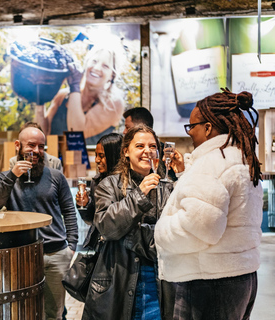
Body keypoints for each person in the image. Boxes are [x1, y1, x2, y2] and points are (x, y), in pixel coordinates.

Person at [155, 89, 263, 320]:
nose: (190, 132)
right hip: (240, 276)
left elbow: (201, 226)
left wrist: (161, 229)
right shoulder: (241, 159)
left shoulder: (213, 162)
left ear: (207, 128)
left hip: (208, 282)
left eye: (191, 126)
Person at [82, 124, 173, 320]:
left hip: (157, 283)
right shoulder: (108, 185)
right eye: (140, 146)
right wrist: (140, 194)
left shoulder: (167, 188)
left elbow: (172, 235)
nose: (147, 151)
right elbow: (106, 227)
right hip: (116, 281)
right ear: (126, 152)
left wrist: (129, 236)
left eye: (152, 146)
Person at [0, 124, 78, 320]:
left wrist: (71, 246)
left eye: (41, 146)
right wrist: (13, 176)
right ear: (18, 146)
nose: (36, 151)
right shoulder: (5, 178)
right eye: (31, 146)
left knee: (54, 313)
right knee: (24, 312)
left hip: (56, 254)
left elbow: (69, 212)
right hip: (23, 256)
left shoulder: (56, 176)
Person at [36, 45, 124, 145]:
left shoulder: (113, 104)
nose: (97, 68)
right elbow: (43, 133)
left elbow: (77, 132)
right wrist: (40, 102)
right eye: (94, 61)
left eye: (105, 66)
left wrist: (75, 85)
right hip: (54, 159)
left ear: (112, 75)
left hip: (89, 160)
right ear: (86, 63)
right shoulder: (62, 96)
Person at [76, 132, 123, 250]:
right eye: (96, 155)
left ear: (114, 156)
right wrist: (86, 204)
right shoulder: (96, 181)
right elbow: (92, 220)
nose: (96, 160)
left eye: (101, 156)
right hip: (100, 246)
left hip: (121, 247)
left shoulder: (126, 183)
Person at [123, 107, 177, 182]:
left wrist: (181, 172)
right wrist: (140, 191)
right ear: (125, 151)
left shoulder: (166, 153)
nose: (124, 132)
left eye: (127, 127)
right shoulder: (111, 183)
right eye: (140, 146)